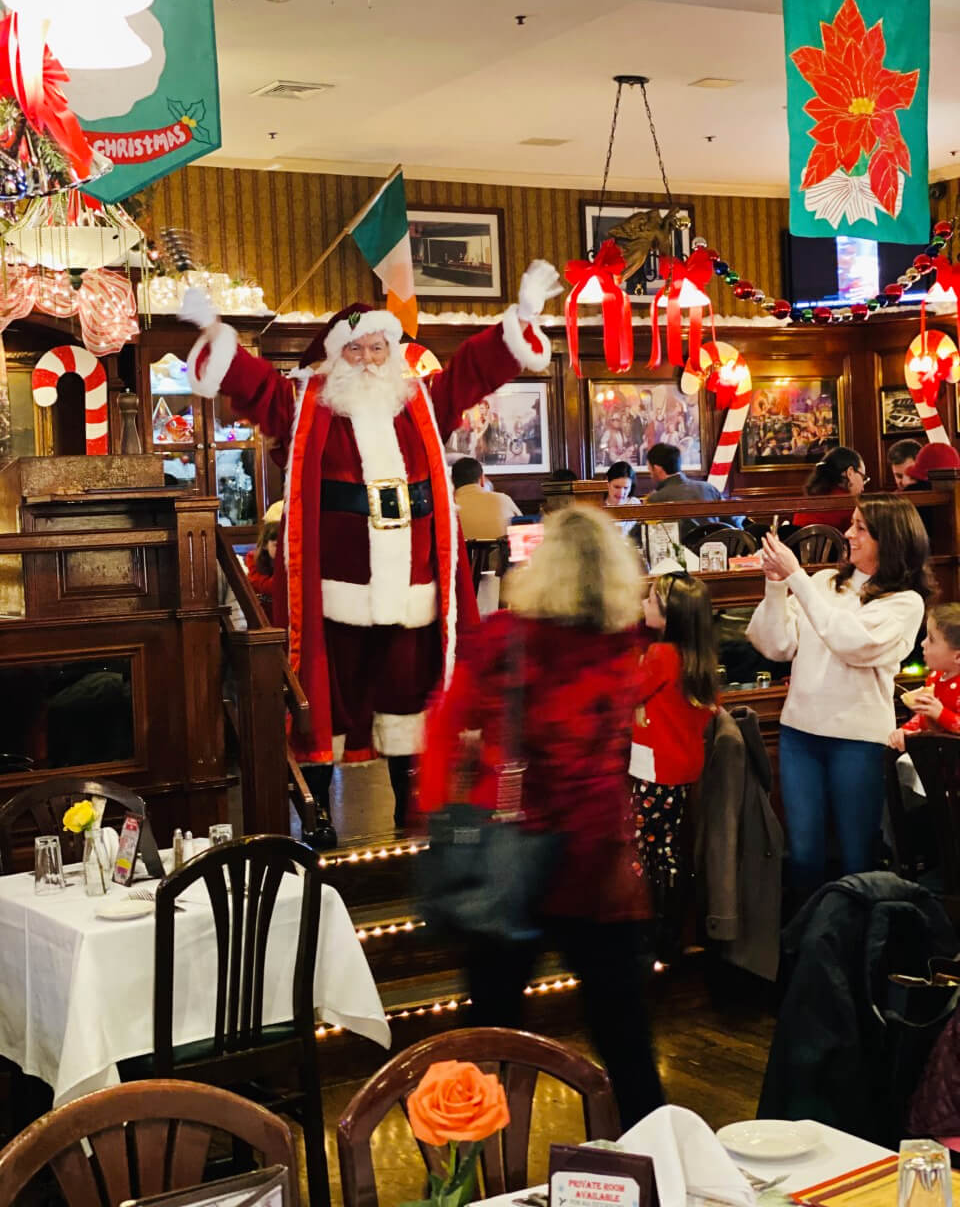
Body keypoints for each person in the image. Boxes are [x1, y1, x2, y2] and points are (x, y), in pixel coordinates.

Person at [177, 260, 561, 843]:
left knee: (410, 699)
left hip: (416, 591)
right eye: (353, 351)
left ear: (395, 351)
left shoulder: (424, 404)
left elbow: (472, 371)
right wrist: (218, 341)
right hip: (334, 594)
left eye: (377, 348)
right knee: (327, 701)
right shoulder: (307, 408)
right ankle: (319, 815)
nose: (367, 360)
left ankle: (415, 805)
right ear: (335, 358)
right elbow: (257, 387)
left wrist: (521, 320)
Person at [417, 504, 664, 1127]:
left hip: (512, 856)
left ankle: (460, 1176)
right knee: (626, 1042)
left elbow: (444, 731)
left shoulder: (505, 637)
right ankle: (658, 1174)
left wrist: (445, 818)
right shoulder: (622, 644)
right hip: (601, 865)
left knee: (486, 1040)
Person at [746, 494, 932, 906]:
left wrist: (795, 578)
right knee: (805, 854)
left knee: (857, 855)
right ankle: (811, 953)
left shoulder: (905, 603)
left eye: (861, 528)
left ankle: (860, 953)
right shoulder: (824, 582)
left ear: (892, 538)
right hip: (800, 734)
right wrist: (776, 586)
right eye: (852, 524)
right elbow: (773, 645)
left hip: (859, 741)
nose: (849, 534)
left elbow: (850, 642)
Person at [631, 572, 718, 959]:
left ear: (669, 616)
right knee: (665, 846)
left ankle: (654, 931)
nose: (643, 605)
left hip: (652, 770)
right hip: (680, 769)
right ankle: (671, 930)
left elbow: (627, 690)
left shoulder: (660, 656)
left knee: (646, 851)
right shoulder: (697, 659)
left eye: (650, 600)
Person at [888, 603, 960, 752]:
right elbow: (922, 718)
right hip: (939, 762)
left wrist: (941, 714)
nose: (923, 643)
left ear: (958, 656)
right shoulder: (934, 678)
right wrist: (906, 731)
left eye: (931, 640)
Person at [793, 445, 866, 528]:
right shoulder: (848, 504)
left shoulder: (806, 501)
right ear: (850, 473)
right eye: (863, 477)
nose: (863, 486)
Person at [451, 456, 521, 540]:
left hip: (463, 553)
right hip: (501, 552)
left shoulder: (448, 508)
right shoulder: (504, 499)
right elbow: (525, 528)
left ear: (452, 482)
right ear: (482, 479)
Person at [644, 443, 722, 506]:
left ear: (657, 469)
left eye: (649, 469)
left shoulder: (655, 499)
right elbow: (732, 522)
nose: (650, 475)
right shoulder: (709, 489)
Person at [245, 519, 279, 622]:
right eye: (277, 545)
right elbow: (265, 586)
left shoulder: (289, 559)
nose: (282, 549)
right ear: (264, 545)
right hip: (263, 617)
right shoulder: (253, 559)